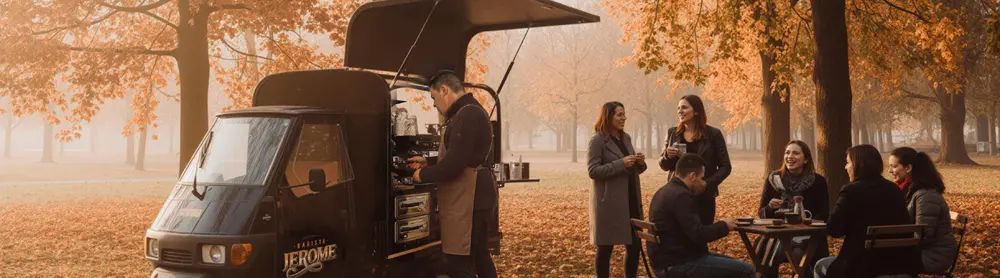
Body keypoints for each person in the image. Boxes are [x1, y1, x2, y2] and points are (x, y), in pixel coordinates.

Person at [408, 70, 497, 278]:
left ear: (444, 90)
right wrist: (428, 161)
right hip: (478, 197)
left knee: (460, 264)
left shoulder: (467, 114)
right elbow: (464, 156)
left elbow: (455, 165)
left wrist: (423, 174)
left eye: (433, 97)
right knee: (480, 256)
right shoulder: (469, 111)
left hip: (471, 200)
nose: (433, 104)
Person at [813, 145, 922, 278]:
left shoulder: (851, 191)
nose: (845, 167)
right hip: (900, 265)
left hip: (862, 267)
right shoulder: (894, 190)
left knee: (820, 266)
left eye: (848, 162)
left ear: (859, 165)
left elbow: (834, 229)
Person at [647, 153, 754, 278]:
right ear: (692, 176)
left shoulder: (664, 191)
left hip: (668, 259)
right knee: (747, 270)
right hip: (677, 264)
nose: (703, 183)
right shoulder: (682, 196)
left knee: (733, 264)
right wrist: (724, 225)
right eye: (702, 178)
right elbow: (699, 235)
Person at [586, 101, 647, 278]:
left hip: (631, 199)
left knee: (635, 246)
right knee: (605, 248)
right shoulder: (597, 140)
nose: (623, 118)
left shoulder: (625, 137)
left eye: (624, 114)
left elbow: (633, 168)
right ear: (608, 116)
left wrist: (640, 163)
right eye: (619, 115)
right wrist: (620, 164)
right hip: (609, 203)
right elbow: (593, 171)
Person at [756, 140, 830, 277]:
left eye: (795, 153)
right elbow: (762, 213)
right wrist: (770, 207)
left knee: (796, 253)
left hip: (807, 237)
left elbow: (824, 214)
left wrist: (803, 222)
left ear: (806, 159)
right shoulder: (774, 179)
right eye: (787, 152)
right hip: (778, 236)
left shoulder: (818, 182)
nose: (790, 156)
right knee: (773, 251)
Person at [659, 94, 731, 224]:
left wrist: (706, 184)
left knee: (701, 235)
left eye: (684, 107)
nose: (680, 111)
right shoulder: (673, 133)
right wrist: (667, 156)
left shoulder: (713, 134)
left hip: (704, 196)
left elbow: (726, 167)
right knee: (679, 237)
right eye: (678, 108)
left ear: (696, 110)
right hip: (677, 195)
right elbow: (664, 165)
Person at [889, 147, 958, 274]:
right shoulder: (909, 191)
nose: (889, 171)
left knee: (875, 261)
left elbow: (923, 236)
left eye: (894, 166)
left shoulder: (925, 195)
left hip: (932, 256)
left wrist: (892, 244)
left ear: (908, 168)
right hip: (921, 252)